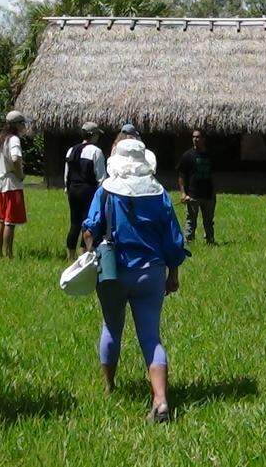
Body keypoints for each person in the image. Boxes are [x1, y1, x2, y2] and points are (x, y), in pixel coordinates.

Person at [82, 138, 189, 423]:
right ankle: (161, 400)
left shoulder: (105, 191)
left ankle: (109, 386)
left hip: (113, 271)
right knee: (151, 336)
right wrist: (173, 274)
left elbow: (89, 229)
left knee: (111, 328)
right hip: (151, 271)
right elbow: (173, 240)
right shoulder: (159, 194)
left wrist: (89, 255)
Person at [0, 111, 27, 258]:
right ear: (16, 125)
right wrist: (19, 174)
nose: (24, 126)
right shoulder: (14, 139)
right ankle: (9, 254)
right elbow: (16, 159)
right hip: (12, 185)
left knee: (1, 220)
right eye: (22, 123)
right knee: (10, 222)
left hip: (0, 184)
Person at [64, 121, 107, 261]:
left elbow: (67, 172)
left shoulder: (71, 150)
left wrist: (67, 187)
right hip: (88, 190)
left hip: (73, 189)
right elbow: (101, 176)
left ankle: (70, 255)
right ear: (93, 135)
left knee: (74, 222)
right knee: (87, 222)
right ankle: (83, 254)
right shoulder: (96, 151)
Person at [177, 128, 216, 245]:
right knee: (191, 221)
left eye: (198, 137)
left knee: (208, 221)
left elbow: (214, 174)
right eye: (193, 137)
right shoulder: (187, 156)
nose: (195, 139)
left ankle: (210, 241)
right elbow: (181, 176)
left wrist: (214, 192)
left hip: (208, 194)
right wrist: (183, 193)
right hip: (193, 194)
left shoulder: (210, 155)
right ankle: (188, 242)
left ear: (203, 139)